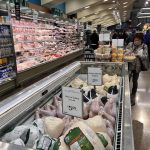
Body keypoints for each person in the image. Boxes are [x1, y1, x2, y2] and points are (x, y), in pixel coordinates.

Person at [126, 33, 149, 106]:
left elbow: (145, 56)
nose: (136, 41)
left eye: (138, 40)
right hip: (129, 65)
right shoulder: (130, 44)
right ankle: (126, 95)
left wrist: (139, 55)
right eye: (135, 39)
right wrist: (128, 52)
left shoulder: (144, 46)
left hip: (137, 67)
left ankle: (133, 96)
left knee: (135, 81)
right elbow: (125, 51)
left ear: (141, 40)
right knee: (127, 80)